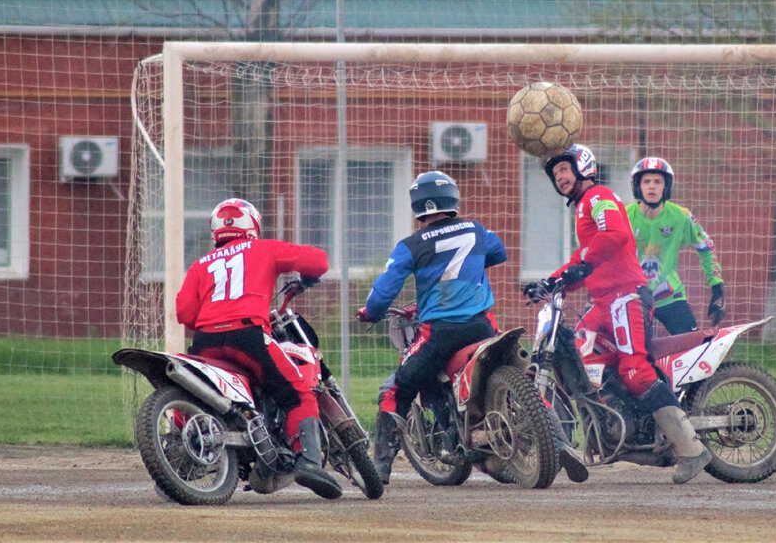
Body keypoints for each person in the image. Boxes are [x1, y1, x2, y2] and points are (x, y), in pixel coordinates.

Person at [357, 171, 588, 485]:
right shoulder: (475, 230)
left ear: (417, 206)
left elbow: (383, 293)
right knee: (525, 376)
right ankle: (559, 441)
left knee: (397, 389)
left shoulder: (410, 245)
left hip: (440, 333)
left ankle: (379, 469)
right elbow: (499, 252)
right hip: (483, 327)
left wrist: (370, 313)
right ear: (452, 199)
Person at [540, 144, 711, 484]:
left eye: (564, 169)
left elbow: (615, 235)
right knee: (578, 355)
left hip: (626, 296)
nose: (559, 176)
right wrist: (551, 282)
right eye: (555, 172)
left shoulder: (598, 197)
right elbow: (584, 261)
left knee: (635, 370)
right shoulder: (580, 210)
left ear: (583, 167)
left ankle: (691, 449)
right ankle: (610, 427)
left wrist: (577, 267)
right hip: (603, 301)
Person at [175, 198, 342, 500]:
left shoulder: (200, 265)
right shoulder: (263, 248)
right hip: (249, 334)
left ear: (216, 231)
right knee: (298, 391)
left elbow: (185, 315)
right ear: (252, 224)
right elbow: (319, 262)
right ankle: (309, 461)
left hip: (205, 342)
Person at [626, 157, 725, 335]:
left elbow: (706, 246)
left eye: (658, 181)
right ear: (637, 186)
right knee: (638, 351)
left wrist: (716, 287)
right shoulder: (623, 216)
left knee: (693, 345)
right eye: (646, 181)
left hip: (668, 293)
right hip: (633, 297)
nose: (651, 186)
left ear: (667, 187)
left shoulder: (681, 216)